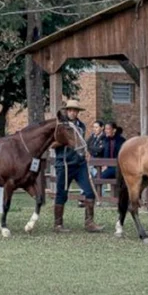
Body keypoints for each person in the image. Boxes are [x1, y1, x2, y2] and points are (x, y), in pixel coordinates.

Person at [53, 100, 102, 233]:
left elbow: (80, 143)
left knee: (89, 192)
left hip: (79, 164)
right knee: (61, 194)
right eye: (70, 110)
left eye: (75, 110)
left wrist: (85, 152)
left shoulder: (81, 126)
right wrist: (64, 142)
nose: (73, 113)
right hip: (64, 164)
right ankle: (58, 224)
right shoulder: (60, 125)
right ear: (67, 111)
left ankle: (89, 223)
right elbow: (52, 145)